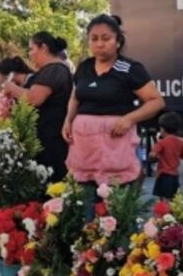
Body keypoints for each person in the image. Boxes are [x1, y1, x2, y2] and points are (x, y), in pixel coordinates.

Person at [64, 14, 165, 194]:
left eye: (106, 38)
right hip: (84, 150)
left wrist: (129, 119)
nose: (99, 44)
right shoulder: (84, 67)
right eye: (94, 39)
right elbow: (75, 97)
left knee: (116, 207)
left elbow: (156, 101)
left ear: (117, 41)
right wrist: (68, 120)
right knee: (85, 204)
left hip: (116, 146)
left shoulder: (130, 68)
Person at [2, 32, 73, 181]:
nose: (30, 54)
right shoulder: (50, 70)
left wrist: (12, 88)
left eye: (31, 49)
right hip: (46, 137)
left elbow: (34, 99)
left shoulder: (55, 69)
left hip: (51, 139)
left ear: (44, 48)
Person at [151, 112, 183, 200]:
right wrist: (177, 154)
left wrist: (154, 157)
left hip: (163, 174)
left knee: (163, 199)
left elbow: (152, 154)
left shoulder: (162, 142)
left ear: (162, 129)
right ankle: (174, 213)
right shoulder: (180, 142)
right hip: (175, 175)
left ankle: (163, 213)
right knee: (175, 199)